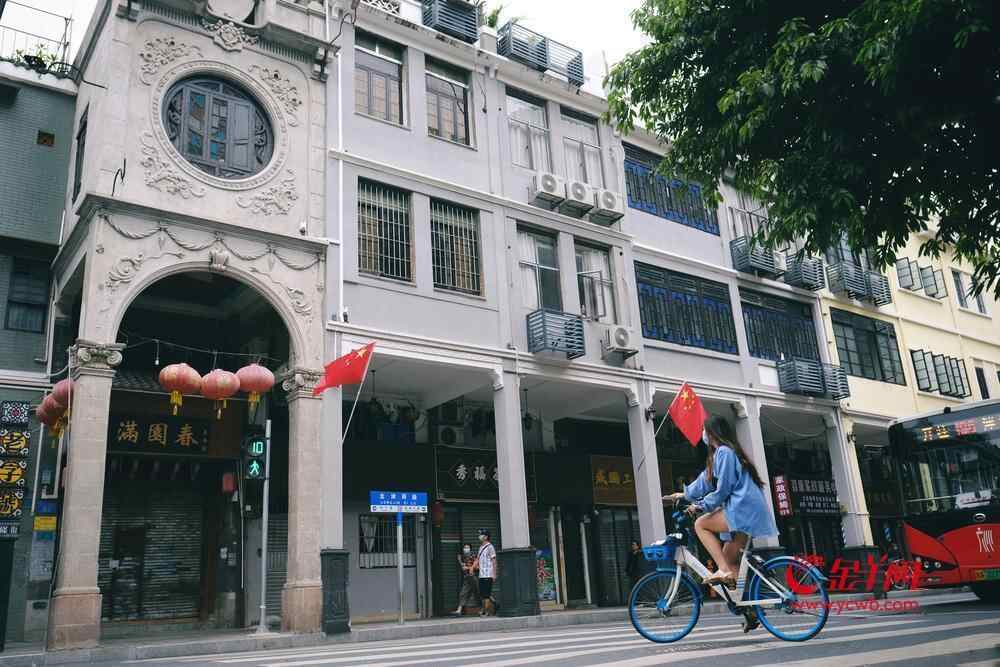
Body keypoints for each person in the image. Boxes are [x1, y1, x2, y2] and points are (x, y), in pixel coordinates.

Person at [663, 415, 777, 588]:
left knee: (701, 524)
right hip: (749, 509)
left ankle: (723, 571)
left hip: (743, 508)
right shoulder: (723, 453)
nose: (702, 433)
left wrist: (700, 505)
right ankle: (743, 600)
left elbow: (724, 488)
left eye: (704, 430)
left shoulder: (724, 452)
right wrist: (683, 495)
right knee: (729, 558)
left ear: (712, 433)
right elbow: (705, 481)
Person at [474, 528, 497, 616]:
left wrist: (494, 574)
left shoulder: (490, 547)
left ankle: (486, 612)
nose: (479, 536)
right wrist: (474, 567)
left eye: (481, 535)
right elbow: (478, 559)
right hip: (481, 574)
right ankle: (487, 608)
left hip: (488, 574)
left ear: (486, 537)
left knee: (486, 595)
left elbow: (494, 561)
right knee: (482, 594)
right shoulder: (480, 547)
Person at [454, 543, 480, 615]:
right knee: (463, 593)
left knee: (478, 593)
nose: (466, 549)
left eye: (467, 547)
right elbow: (463, 567)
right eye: (465, 547)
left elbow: (478, 567)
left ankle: (488, 606)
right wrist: (460, 562)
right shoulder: (463, 558)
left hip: (474, 577)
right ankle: (459, 610)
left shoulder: (473, 556)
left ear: (470, 549)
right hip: (467, 578)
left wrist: (468, 568)